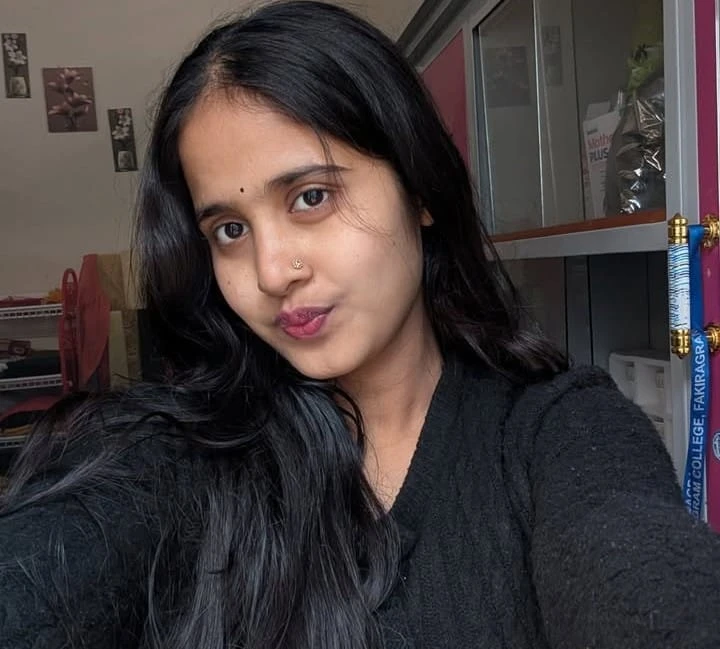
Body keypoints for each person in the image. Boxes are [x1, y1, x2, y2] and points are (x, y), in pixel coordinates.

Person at [1, 2, 719, 648]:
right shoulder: (182, 455)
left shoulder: (559, 433)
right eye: (229, 230)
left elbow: (637, 571)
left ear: (419, 188)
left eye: (311, 196)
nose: (271, 271)